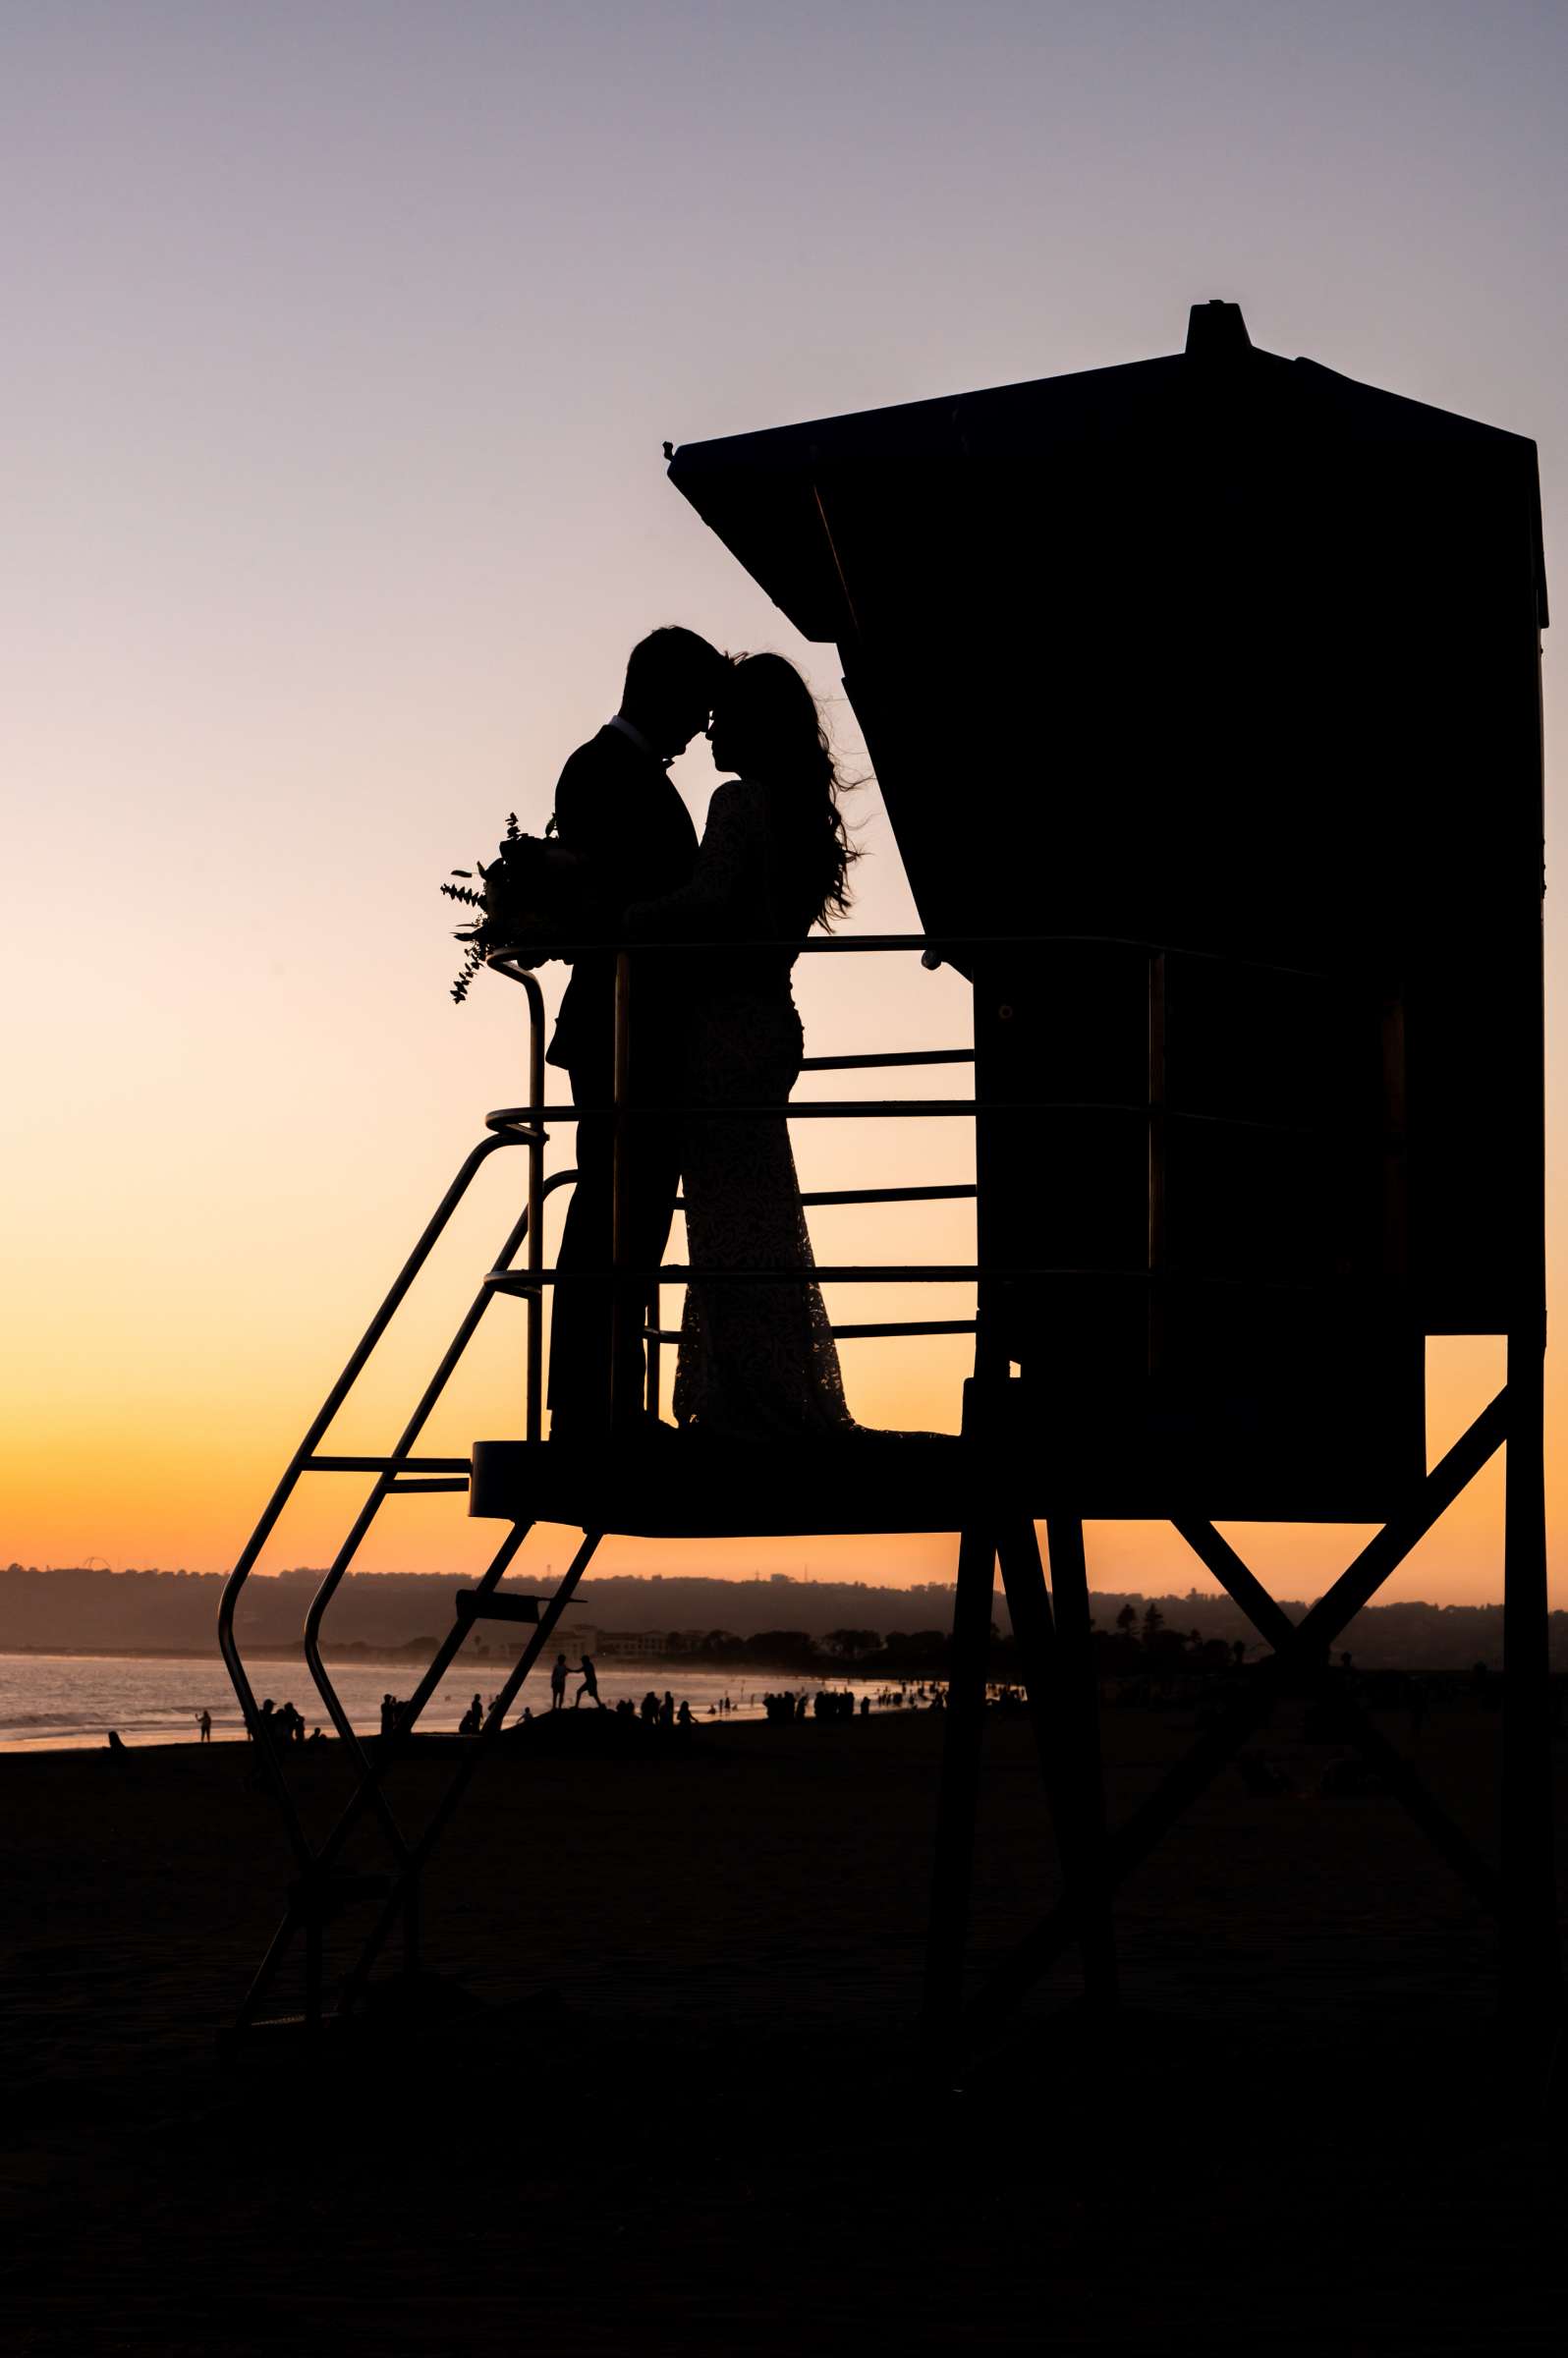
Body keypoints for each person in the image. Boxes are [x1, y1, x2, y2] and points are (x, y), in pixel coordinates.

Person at [627, 653, 859, 1439]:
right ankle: (772, 1386)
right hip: (772, 1021)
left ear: (752, 724)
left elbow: (707, 898)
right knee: (759, 1212)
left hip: (723, 1026)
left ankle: (754, 1401)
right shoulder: (797, 816)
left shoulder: (738, 802)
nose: (711, 729)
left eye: (724, 716)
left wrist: (612, 922)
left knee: (730, 1221)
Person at [545, 626, 729, 1440]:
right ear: (661, 691)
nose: (700, 728)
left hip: (643, 1025)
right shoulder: (600, 771)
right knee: (612, 1211)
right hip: (621, 1025)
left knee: (633, 1212)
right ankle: (594, 1404)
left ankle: (611, 1397)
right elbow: (606, 903)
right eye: (696, 705)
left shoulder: (615, 772)